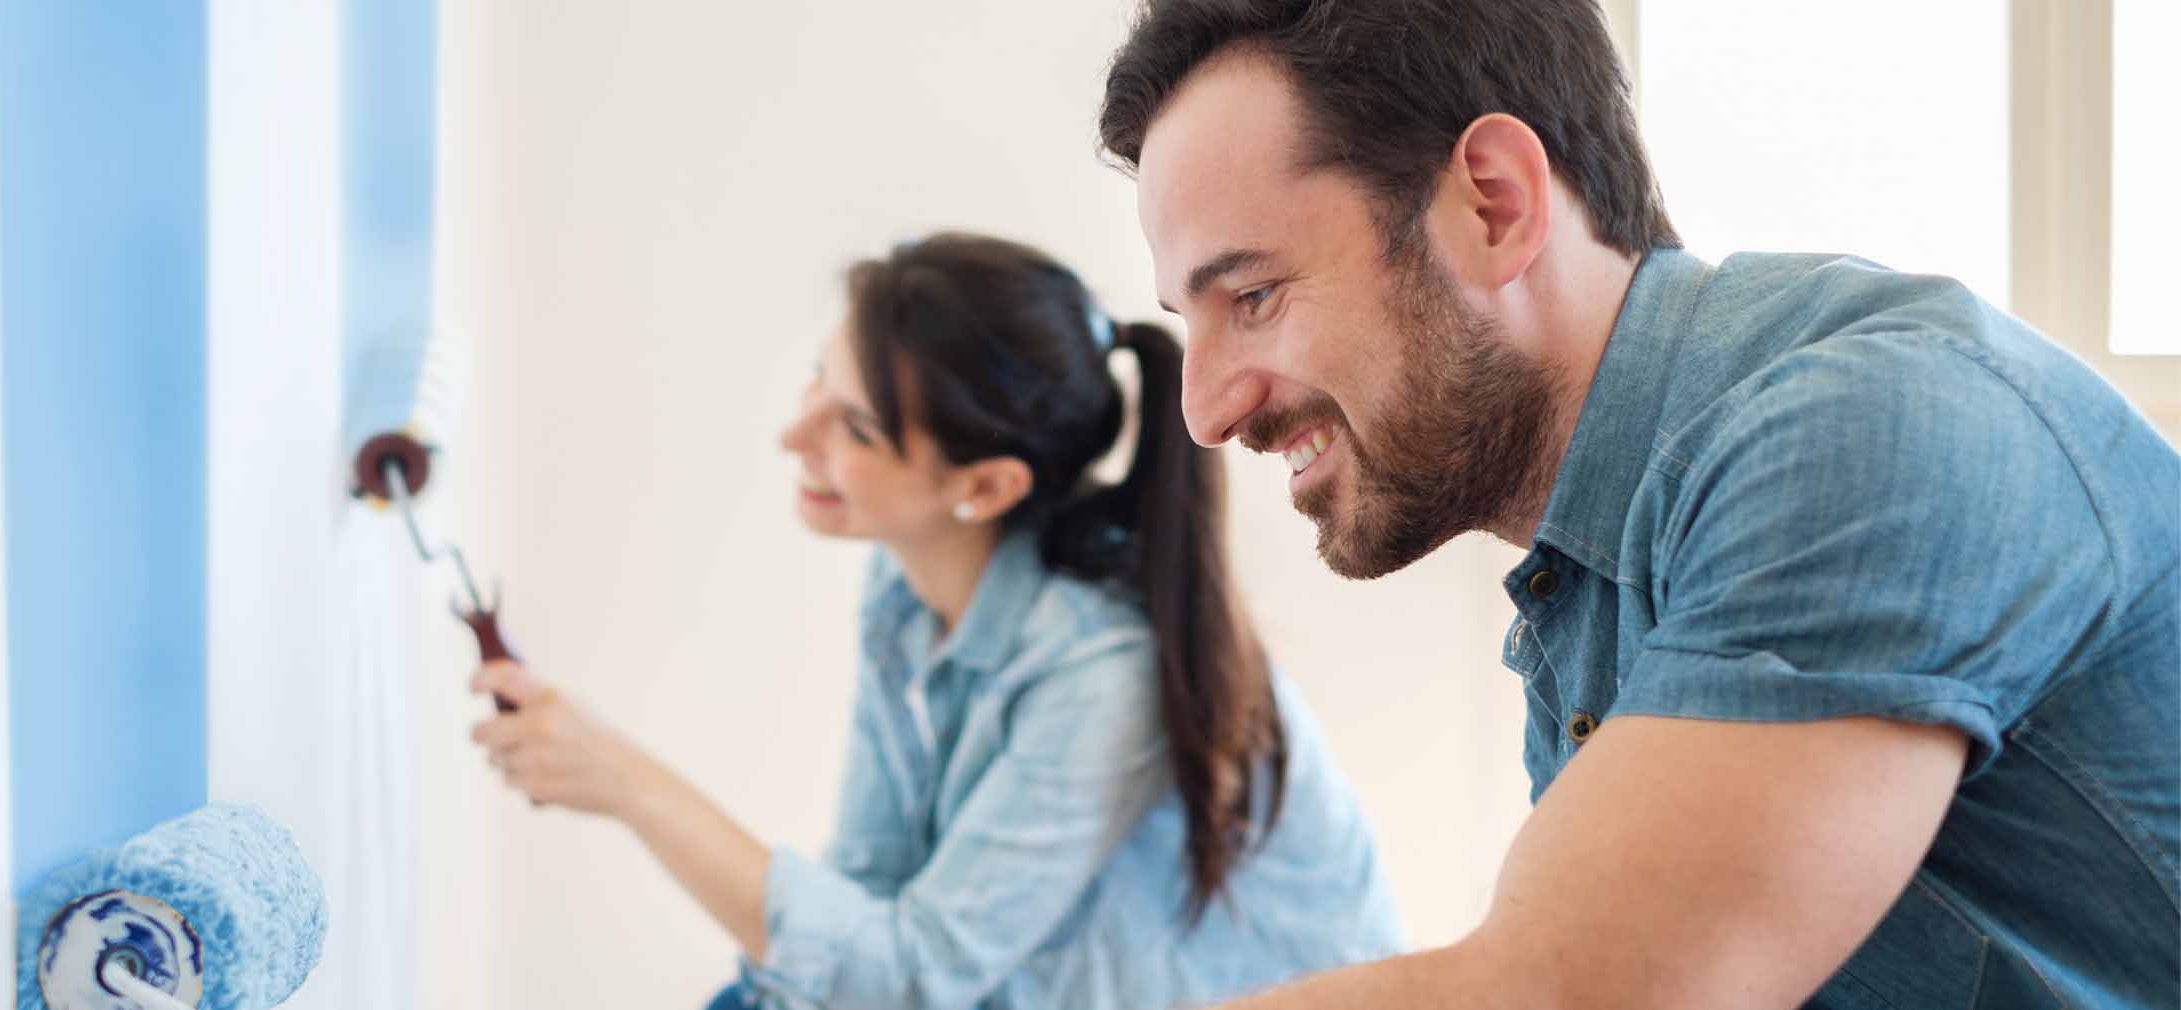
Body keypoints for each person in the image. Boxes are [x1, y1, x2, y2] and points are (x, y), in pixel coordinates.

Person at [1097, 1, 2180, 1007]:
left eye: (1253, 296)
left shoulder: (1862, 428)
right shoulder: (1591, 586)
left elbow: (1564, 992)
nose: (1203, 408)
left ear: (1494, 204)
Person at [468, 233, 1406, 1009]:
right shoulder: (905, 592)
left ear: (985, 487)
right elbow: (871, 890)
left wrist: (630, 787)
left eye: (857, 429)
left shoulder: (1101, 675)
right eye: (816, 384)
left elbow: (909, 979)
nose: (796, 437)